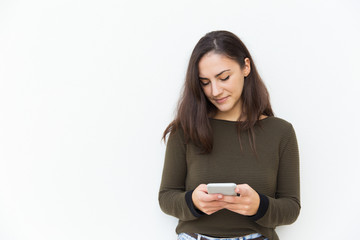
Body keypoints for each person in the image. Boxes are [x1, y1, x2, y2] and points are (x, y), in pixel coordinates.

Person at [158, 30, 300, 240]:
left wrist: (259, 206)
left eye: (223, 77)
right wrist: (193, 202)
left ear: (246, 67)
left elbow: (291, 207)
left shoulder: (281, 132)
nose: (215, 91)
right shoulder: (184, 130)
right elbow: (166, 197)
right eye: (205, 82)